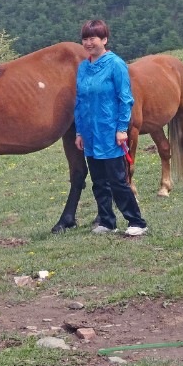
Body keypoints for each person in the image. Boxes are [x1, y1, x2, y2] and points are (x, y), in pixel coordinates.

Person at [74, 19, 148, 237]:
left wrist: (122, 129)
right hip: (89, 132)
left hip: (110, 131)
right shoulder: (83, 67)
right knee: (98, 181)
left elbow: (125, 99)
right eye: (85, 38)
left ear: (104, 39)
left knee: (117, 180)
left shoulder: (116, 64)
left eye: (93, 38)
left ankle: (137, 221)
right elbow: (79, 101)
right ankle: (107, 221)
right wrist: (79, 132)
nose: (88, 43)